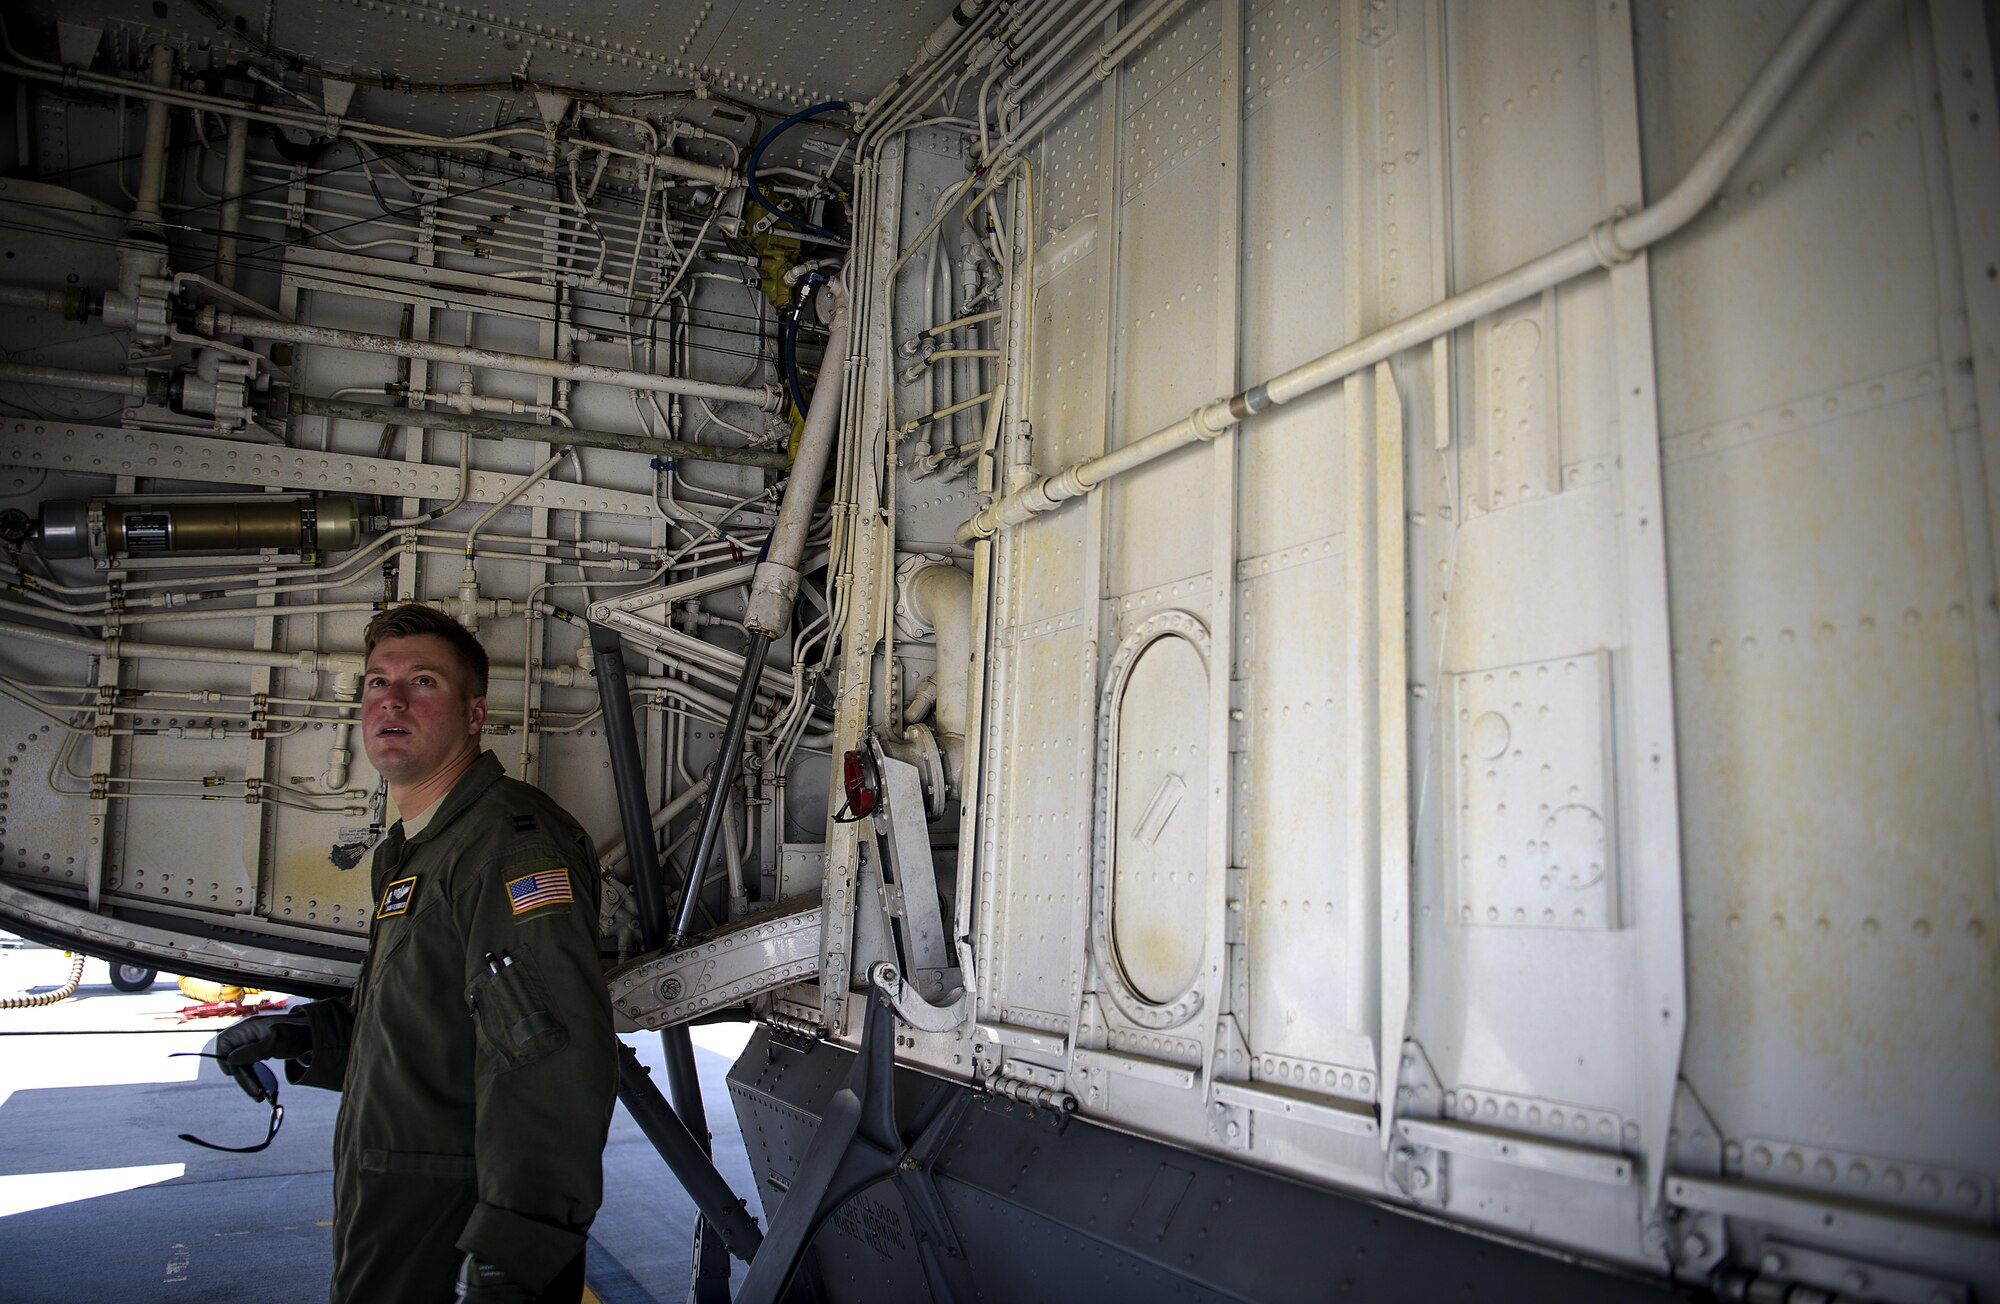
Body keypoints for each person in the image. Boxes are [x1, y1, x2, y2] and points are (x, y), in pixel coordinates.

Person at [214, 603, 617, 1304]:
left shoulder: (508, 845)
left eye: (423, 682)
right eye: (377, 682)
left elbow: (549, 1050)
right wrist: (310, 1036)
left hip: (455, 1233)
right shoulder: (417, 849)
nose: (391, 700)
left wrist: (517, 1246)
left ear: (473, 714)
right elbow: (435, 1018)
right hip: (400, 1215)